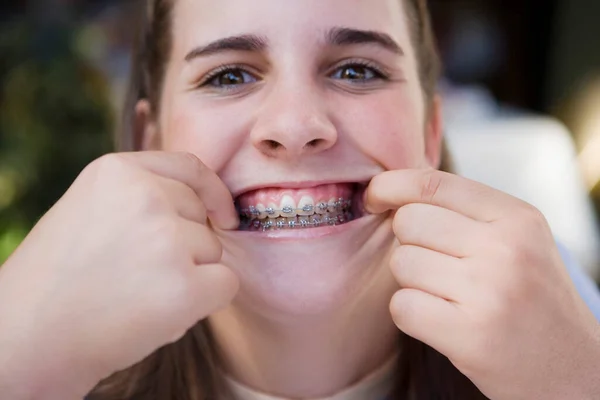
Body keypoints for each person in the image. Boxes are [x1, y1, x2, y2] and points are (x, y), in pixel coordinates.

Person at [1, 0, 599, 399]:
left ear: (430, 134)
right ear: (147, 140)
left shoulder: (567, 333)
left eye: (358, 70)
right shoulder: (29, 353)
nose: (295, 125)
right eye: (228, 75)